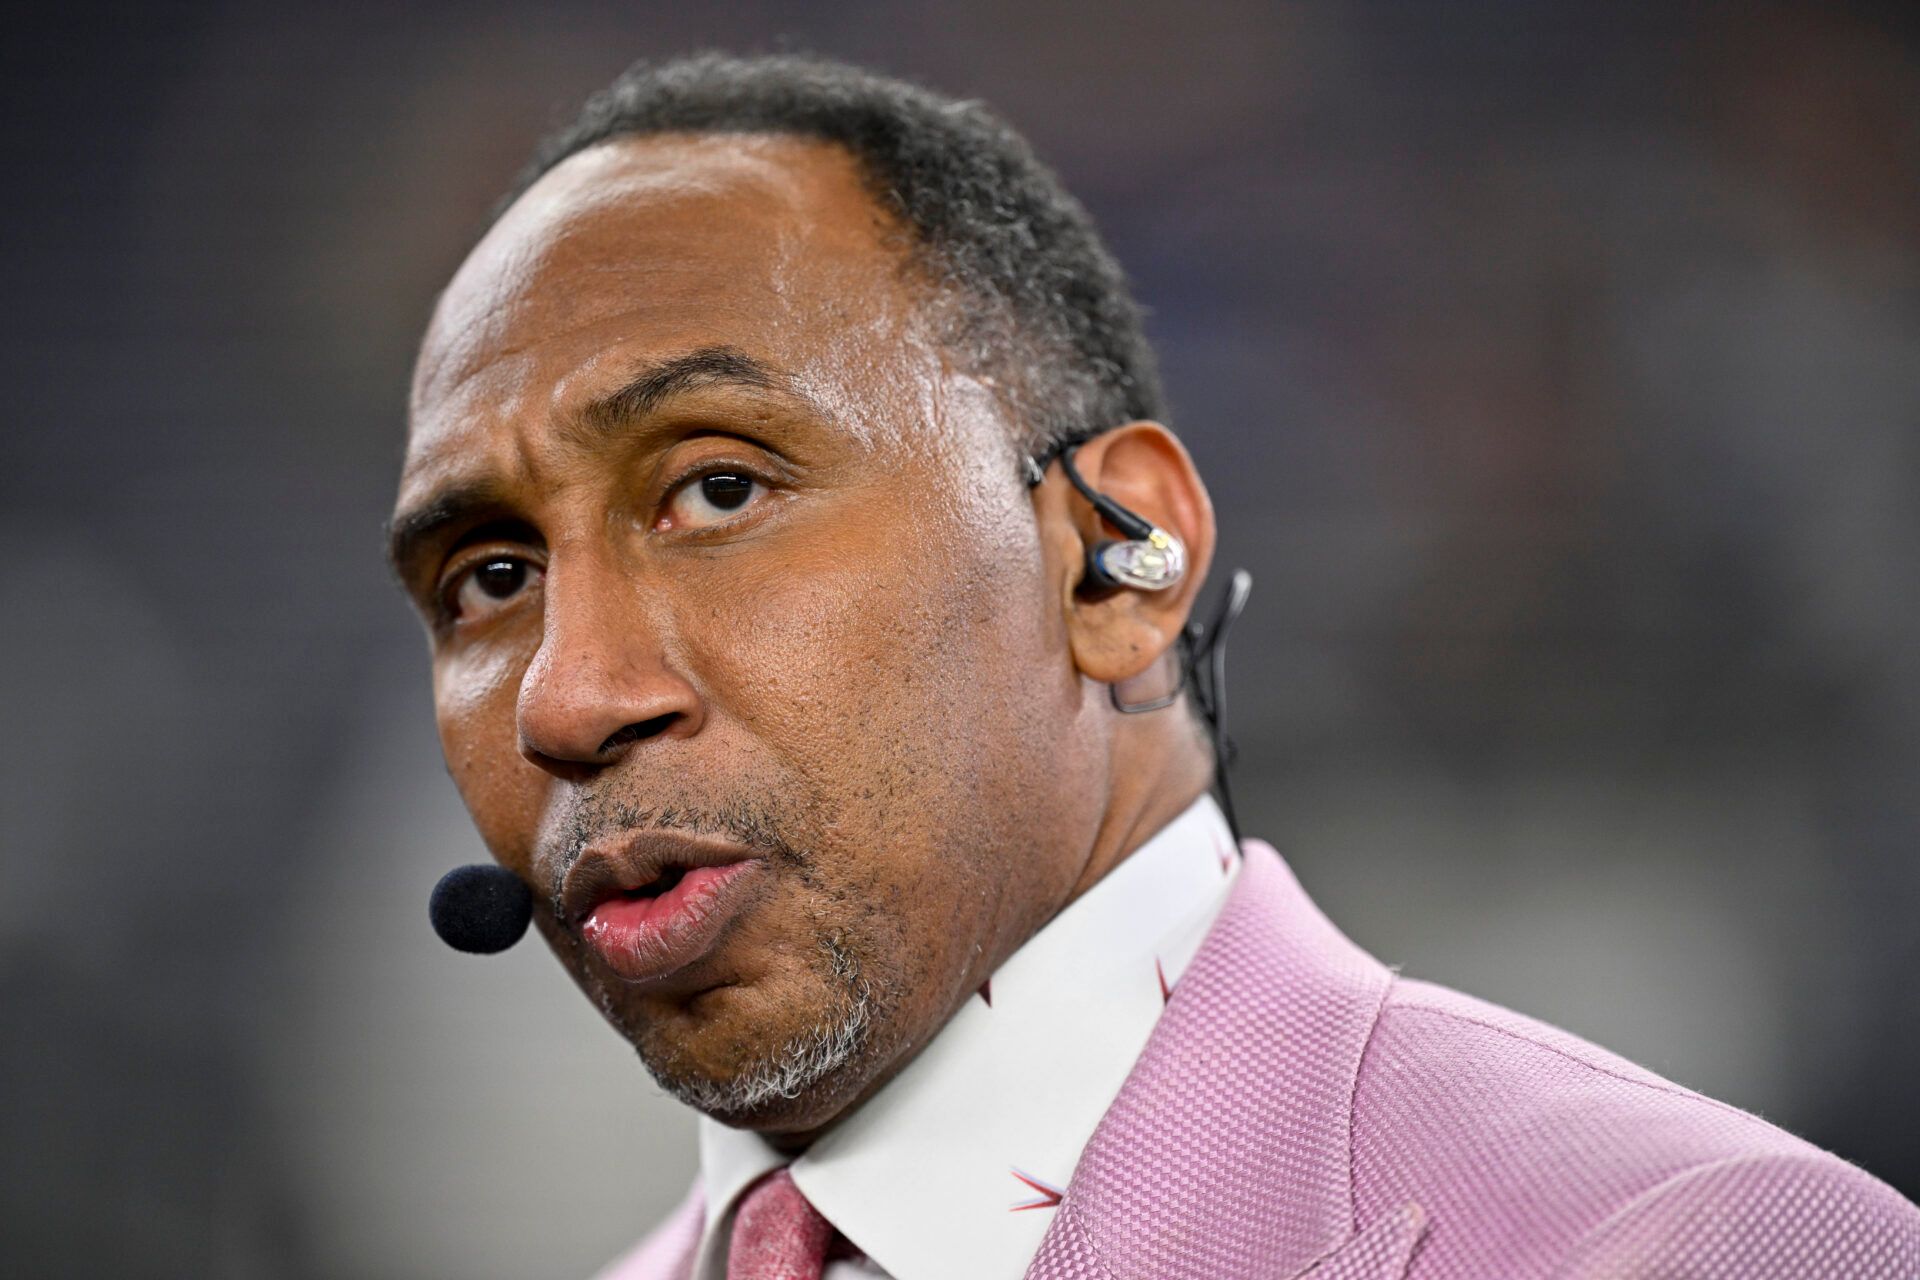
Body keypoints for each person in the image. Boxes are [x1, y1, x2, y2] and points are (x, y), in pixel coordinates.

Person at [387, 52, 1920, 1280]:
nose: (570, 697)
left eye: (719, 488)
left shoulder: (1703, 1250)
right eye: (492, 577)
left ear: (1117, 558)